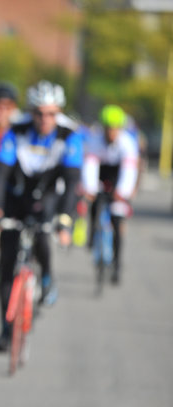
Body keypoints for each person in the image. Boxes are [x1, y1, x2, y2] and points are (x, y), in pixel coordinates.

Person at [0, 80, 83, 352]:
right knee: (6, 264)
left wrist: (65, 220)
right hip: (16, 197)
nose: (45, 119)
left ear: (59, 113)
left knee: (43, 236)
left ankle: (47, 276)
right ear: (31, 112)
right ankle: (6, 330)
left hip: (49, 196)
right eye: (40, 113)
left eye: (52, 113)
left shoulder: (69, 136)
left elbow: (71, 182)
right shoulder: (16, 131)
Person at [81, 104, 139, 284]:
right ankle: (92, 235)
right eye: (108, 128)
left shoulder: (128, 143)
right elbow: (90, 166)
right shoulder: (95, 140)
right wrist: (90, 189)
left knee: (117, 219)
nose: (111, 132)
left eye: (115, 129)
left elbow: (129, 170)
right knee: (94, 204)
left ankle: (116, 264)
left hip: (118, 177)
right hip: (100, 173)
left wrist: (123, 192)